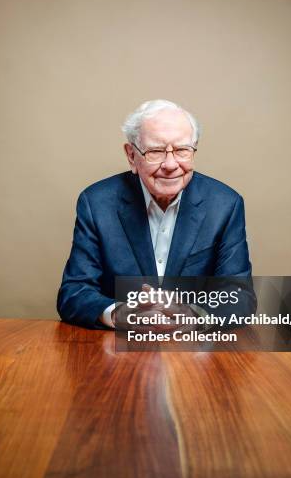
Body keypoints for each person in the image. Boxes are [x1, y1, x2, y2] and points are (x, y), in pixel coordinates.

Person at [57, 99, 255, 329]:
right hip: (118, 354)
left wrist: (193, 314)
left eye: (182, 150)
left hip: (195, 353)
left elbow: (240, 298)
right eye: (156, 151)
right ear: (131, 155)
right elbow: (74, 293)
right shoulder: (96, 203)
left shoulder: (225, 205)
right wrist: (118, 314)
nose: (170, 164)